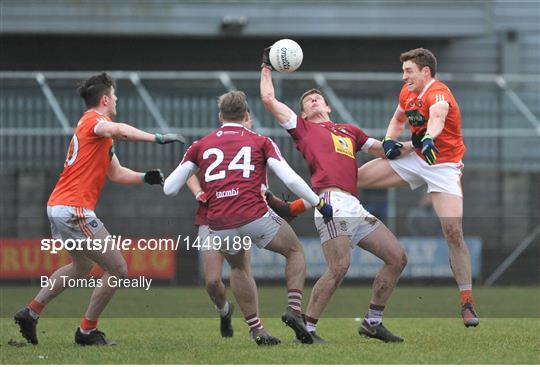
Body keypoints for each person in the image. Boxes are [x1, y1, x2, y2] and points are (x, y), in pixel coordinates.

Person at [13, 72, 184, 346]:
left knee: (81, 266)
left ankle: (30, 313)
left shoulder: (94, 127)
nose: (116, 100)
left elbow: (115, 173)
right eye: (114, 96)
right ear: (105, 99)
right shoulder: (97, 121)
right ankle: (86, 332)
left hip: (60, 206)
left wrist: (143, 177)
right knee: (118, 269)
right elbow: (119, 130)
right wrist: (158, 138)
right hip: (73, 209)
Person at [163, 91, 333, 346]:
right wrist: (318, 202)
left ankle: (256, 330)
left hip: (219, 225)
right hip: (254, 215)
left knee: (239, 268)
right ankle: (294, 310)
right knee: (295, 251)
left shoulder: (200, 144)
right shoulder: (260, 141)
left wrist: (200, 189)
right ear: (245, 116)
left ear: (221, 116)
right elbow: (289, 178)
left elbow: (169, 188)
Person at [260, 50, 407, 343]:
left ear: (327, 105)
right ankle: (308, 329)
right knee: (339, 267)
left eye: (317, 98)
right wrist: (266, 66)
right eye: (307, 101)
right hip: (331, 204)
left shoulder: (349, 130)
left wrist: (422, 143)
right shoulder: (303, 129)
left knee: (397, 258)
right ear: (302, 114)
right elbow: (268, 100)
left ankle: (372, 322)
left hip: (355, 205)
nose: (313, 100)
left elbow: (384, 149)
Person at [356, 48, 479, 327]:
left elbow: (437, 118)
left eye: (409, 71)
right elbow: (399, 119)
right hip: (416, 157)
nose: (404, 76)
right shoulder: (407, 92)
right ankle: (307, 206)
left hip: (443, 165)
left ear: (426, 72)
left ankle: (467, 303)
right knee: (354, 178)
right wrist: (388, 139)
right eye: (403, 71)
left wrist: (429, 139)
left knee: (453, 231)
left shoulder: (439, 94)